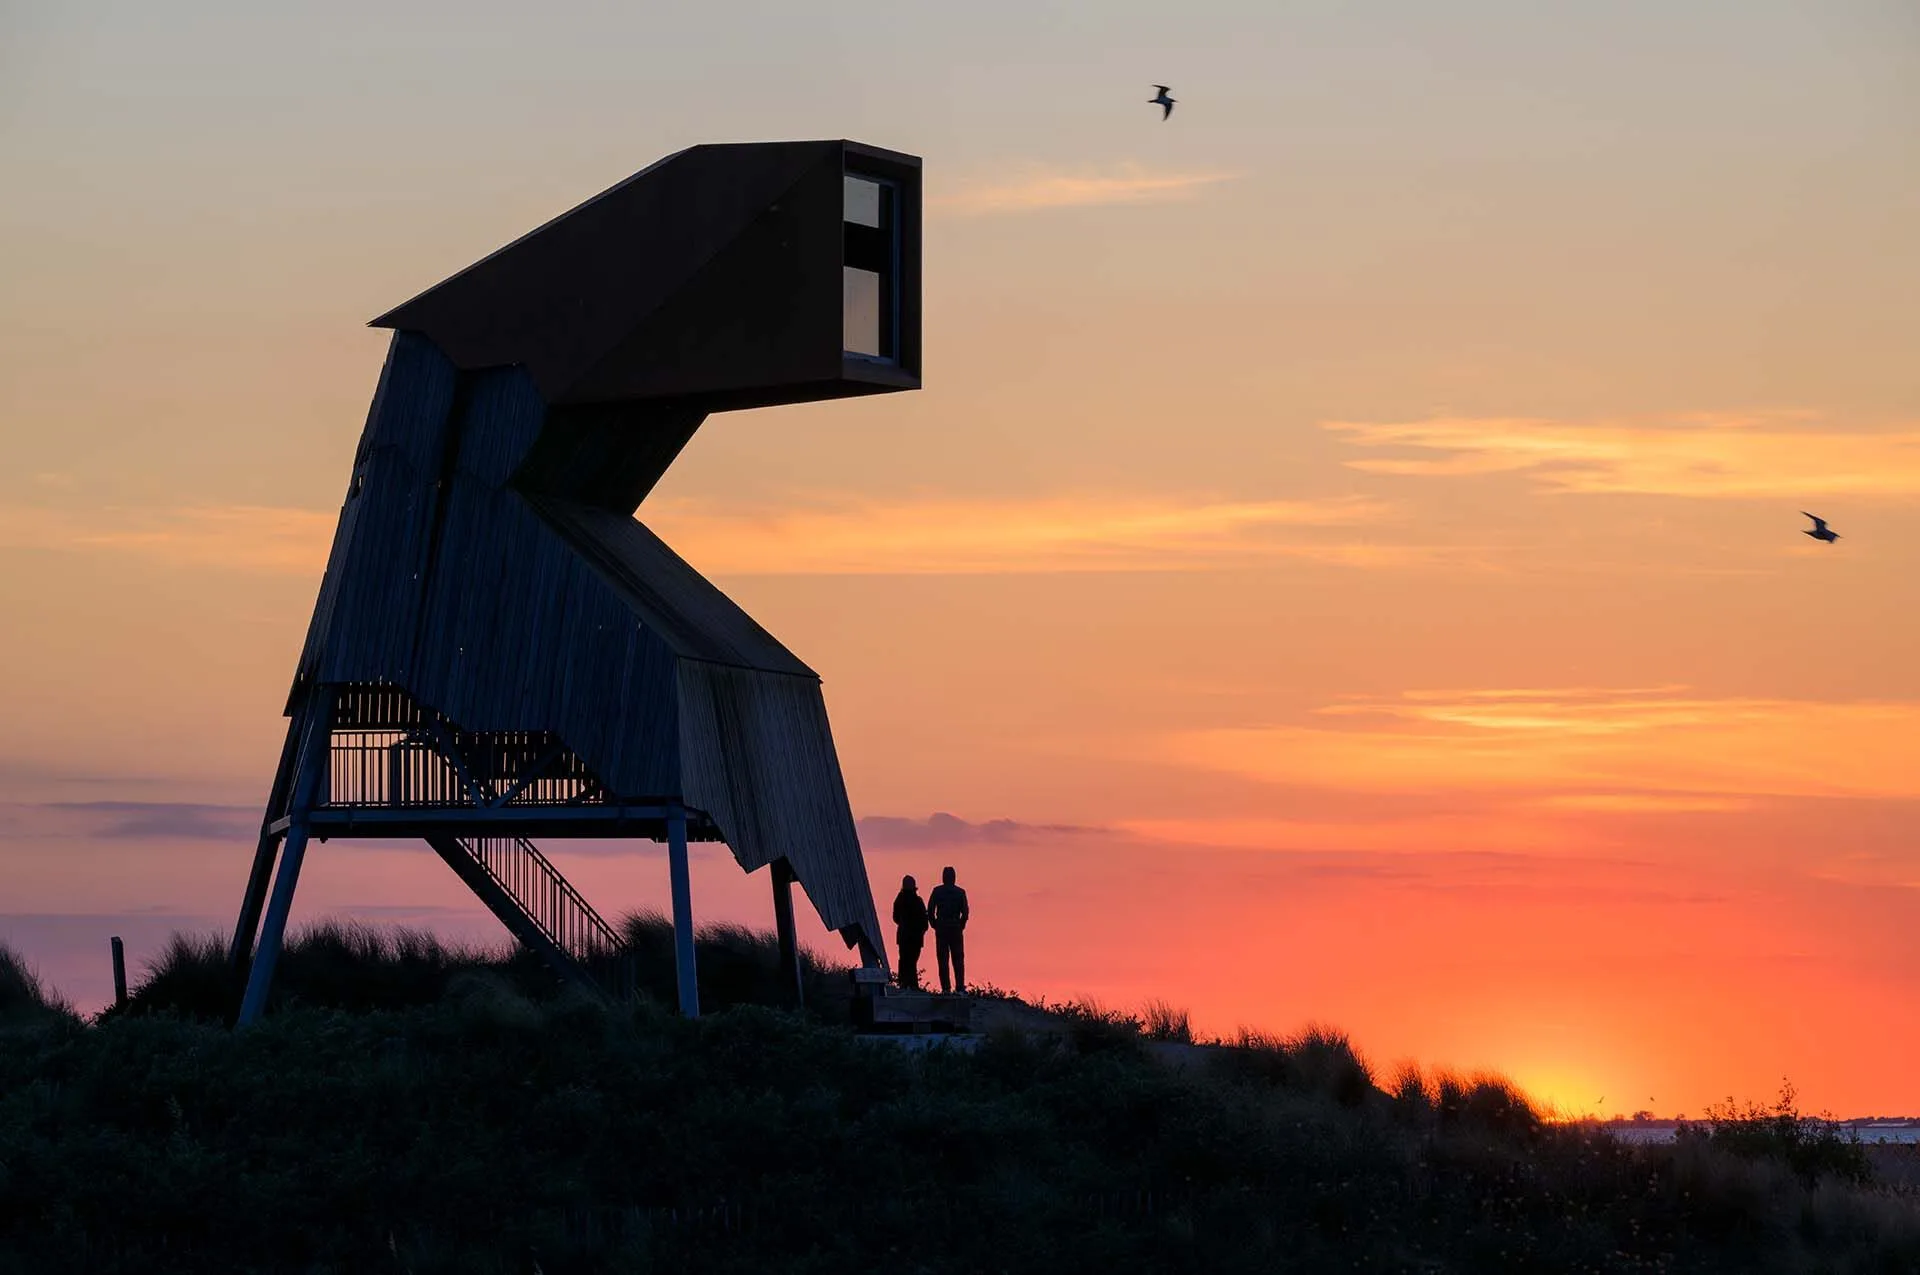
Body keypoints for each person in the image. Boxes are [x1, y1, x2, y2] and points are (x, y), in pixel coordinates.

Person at [925, 865, 969, 994]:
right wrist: (961, 925)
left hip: (942, 928)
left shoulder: (937, 891)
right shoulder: (960, 892)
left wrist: (935, 924)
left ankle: (946, 988)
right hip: (954, 928)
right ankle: (959, 987)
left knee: (943, 959)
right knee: (958, 959)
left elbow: (930, 911)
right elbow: (965, 913)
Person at [891, 874, 929, 990]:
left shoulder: (900, 900)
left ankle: (904, 984)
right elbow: (924, 920)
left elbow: (895, 917)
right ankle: (911, 985)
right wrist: (921, 930)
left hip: (905, 936)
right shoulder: (918, 901)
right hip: (914, 937)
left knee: (905, 960)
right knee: (911, 961)